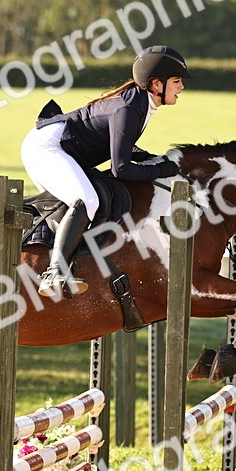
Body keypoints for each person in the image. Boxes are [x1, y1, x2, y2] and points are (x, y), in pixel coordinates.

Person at [20, 45, 189, 299]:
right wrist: (158, 170)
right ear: (157, 84)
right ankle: (54, 272)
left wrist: (148, 158)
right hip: (47, 148)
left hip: (58, 147)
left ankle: (63, 263)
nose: (181, 87)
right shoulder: (130, 107)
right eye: (176, 81)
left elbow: (121, 145)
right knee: (87, 200)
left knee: (80, 204)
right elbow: (120, 168)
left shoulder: (140, 103)